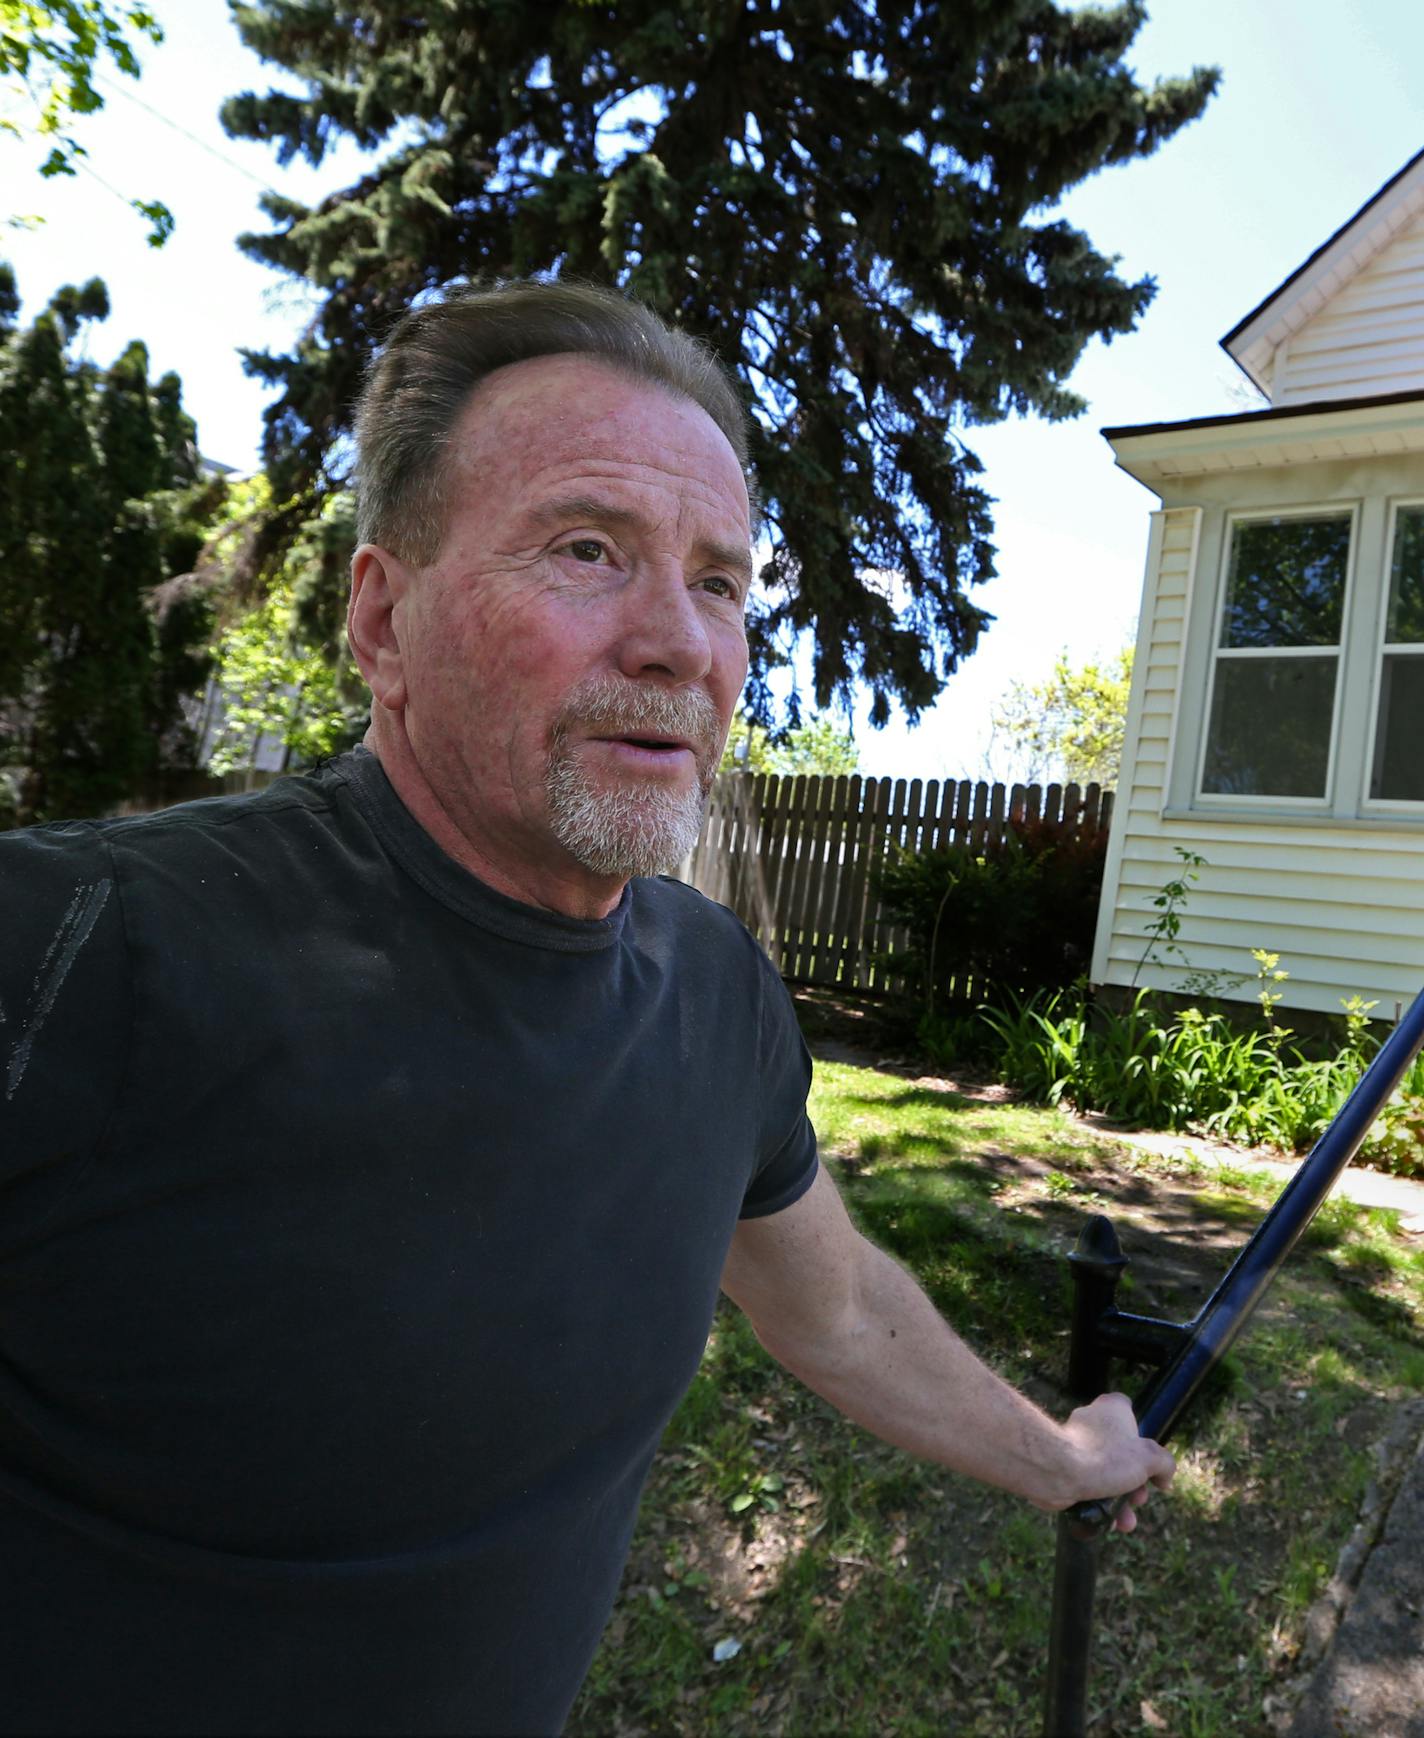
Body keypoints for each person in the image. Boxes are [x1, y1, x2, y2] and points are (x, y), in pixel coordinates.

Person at [0, 279, 1173, 1736]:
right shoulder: (86, 941)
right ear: (384, 619)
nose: (681, 642)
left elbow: (845, 1307)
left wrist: (1064, 1455)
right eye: (586, 549)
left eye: (721, 582)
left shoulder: (719, 993)